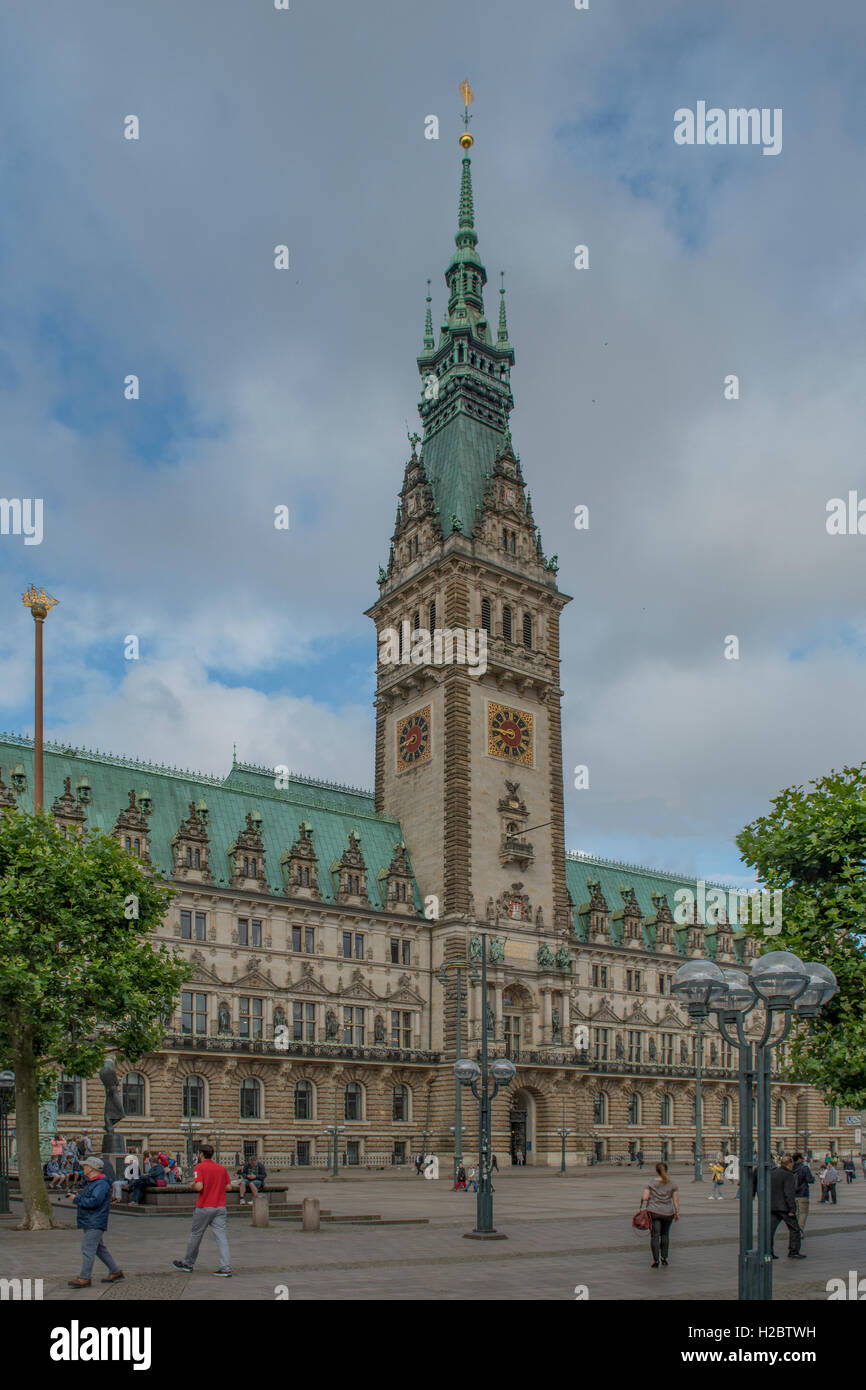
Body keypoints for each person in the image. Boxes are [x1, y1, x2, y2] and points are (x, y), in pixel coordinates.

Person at [172, 1144, 232, 1277]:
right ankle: (226, 1267)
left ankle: (188, 1263)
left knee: (196, 1235)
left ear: (201, 1154)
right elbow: (228, 1187)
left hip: (204, 1206)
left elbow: (199, 1187)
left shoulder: (199, 1167)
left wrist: (192, 1184)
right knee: (221, 1238)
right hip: (220, 1207)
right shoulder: (221, 1168)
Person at [65, 1157, 125, 1288]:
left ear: (91, 1168)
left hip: (95, 1220)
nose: (83, 1168)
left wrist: (77, 1199)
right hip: (91, 1219)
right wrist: (78, 1196)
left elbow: (94, 1202)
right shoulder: (94, 1182)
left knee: (88, 1248)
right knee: (99, 1249)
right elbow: (91, 1198)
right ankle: (115, 1272)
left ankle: (84, 1278)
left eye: (85, 1166)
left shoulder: (100, 1183)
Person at [639, 1161, 679, 1268]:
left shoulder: (651, 1183)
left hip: (654, 1212)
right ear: (666, 1170)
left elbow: (645, 1197)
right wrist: (677, 1212)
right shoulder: (673, 1183)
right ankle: (664, 1258)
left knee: (655, 1236)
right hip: (668, 1212)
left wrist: (643, 1202)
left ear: (657, 1171)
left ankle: (656, 1260)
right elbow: (675, 1200)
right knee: (665, 1235)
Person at [770, 1153, 804, 1259]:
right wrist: (792, 1209)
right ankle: (793, 1251)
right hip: (784, 1207)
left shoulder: (773, 1173)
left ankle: (769, 1252)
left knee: (770, 1230)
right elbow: (789, 1193)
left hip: (773, 1206)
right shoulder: (788, 1175)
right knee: (794, 1229)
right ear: (789, 1164)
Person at [792, 1152, 814, 1237]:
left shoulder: (791, 1167)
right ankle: (800, 1230)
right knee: (803, 1213)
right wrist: (813, 1179)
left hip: (793, 1194)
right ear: (800, 1159)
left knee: (796, 1212)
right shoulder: (804, 1168)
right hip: (803, 1193)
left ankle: (794, 1230)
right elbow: (809, 1179)